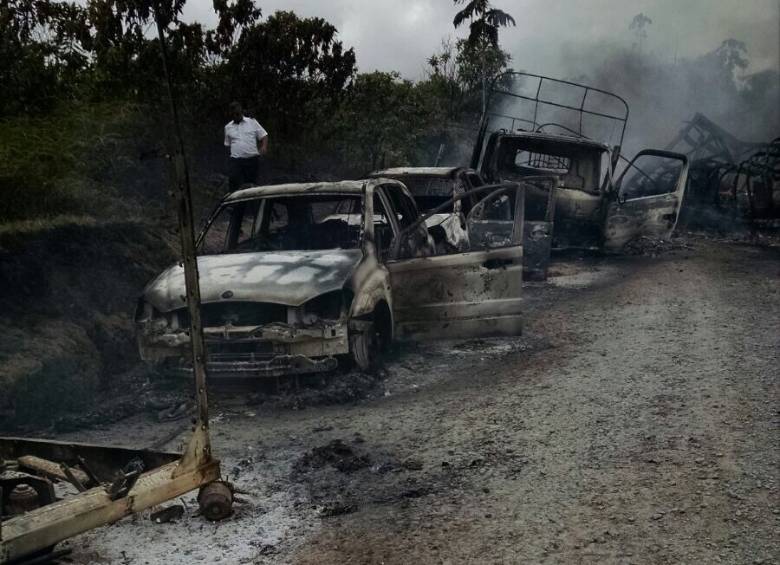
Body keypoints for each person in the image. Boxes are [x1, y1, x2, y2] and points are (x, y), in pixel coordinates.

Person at [224, 101, 269, 191]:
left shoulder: (252, 122)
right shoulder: (228, 127)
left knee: (252, 185)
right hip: (236, 160)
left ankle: (251, 204)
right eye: (234, 114)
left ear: (241, 112)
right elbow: (227, 144)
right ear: (231, 115)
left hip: (252, 160)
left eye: (238, 113)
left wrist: (264, 146)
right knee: (234, 182)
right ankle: (235, 204)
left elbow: (264, 135)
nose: (237, 115)